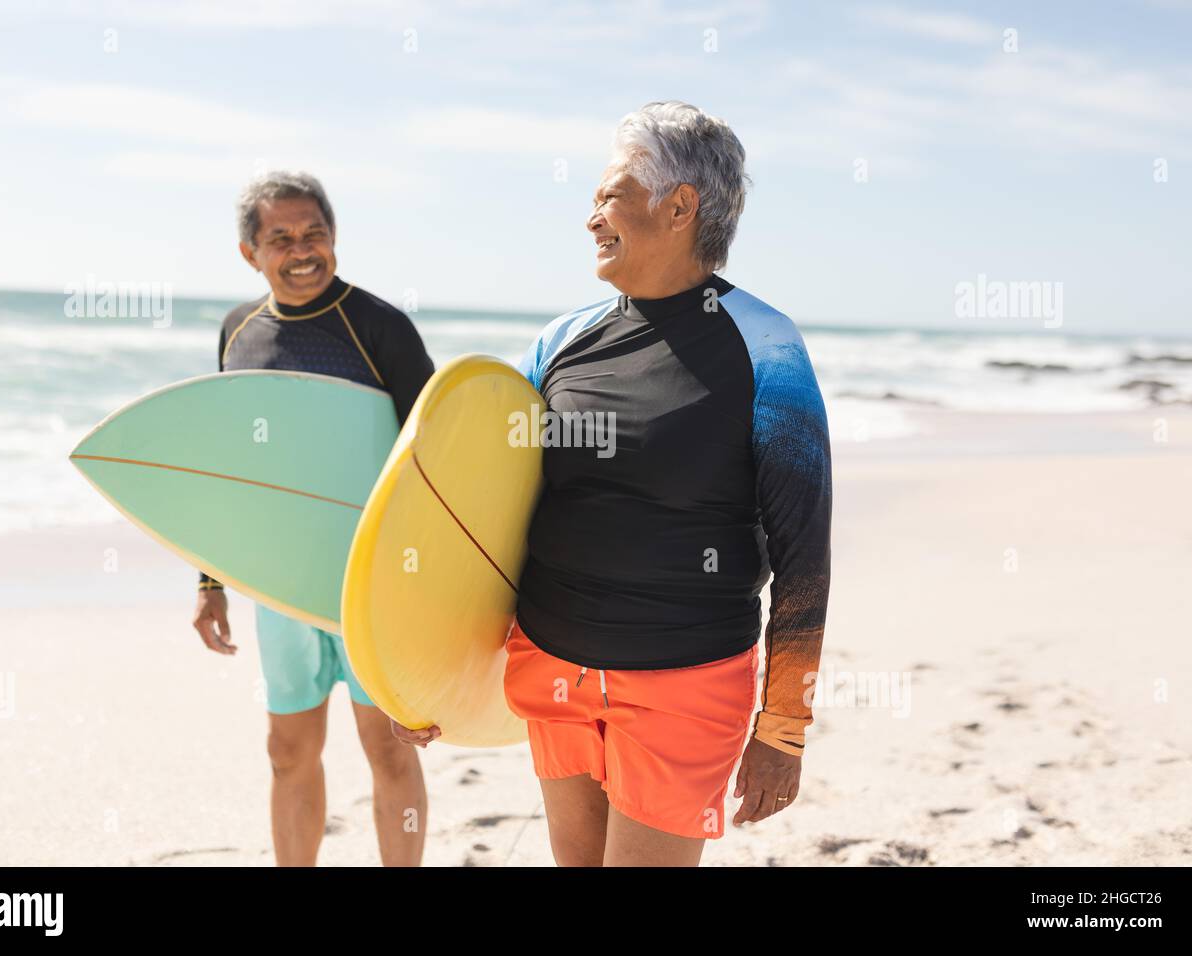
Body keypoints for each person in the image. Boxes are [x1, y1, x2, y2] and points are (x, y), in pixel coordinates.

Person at [397, 101, 832, 867]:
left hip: (684, 682)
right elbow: (486, 515)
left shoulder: (767, 349)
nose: (590, 215)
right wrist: (427, 670)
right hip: (553, 665)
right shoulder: (561, 341)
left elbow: (803, 554)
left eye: (609, 194)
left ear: (679, 206)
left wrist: (783, 728)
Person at [192, 171, 435, 866]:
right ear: (250, 252)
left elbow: (435, 454)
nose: (302, 251)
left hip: (374, 582)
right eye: (281, 238)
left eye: (315, 234)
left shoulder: (380, 326)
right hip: (280, 583)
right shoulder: (237, 331)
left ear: (334, 237)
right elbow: (226, 465)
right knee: (286, 749)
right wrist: (210, 581)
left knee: (388, 749)